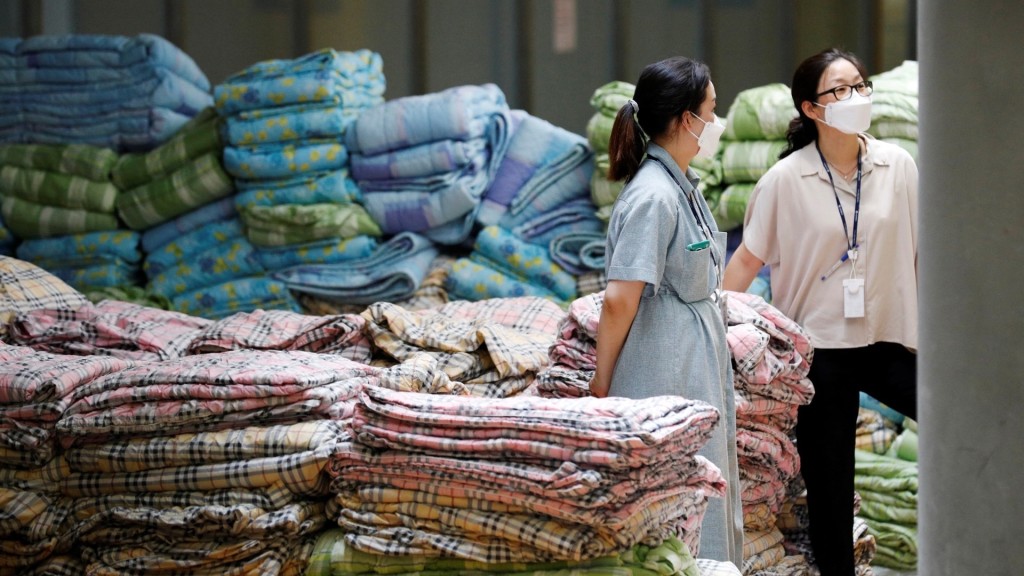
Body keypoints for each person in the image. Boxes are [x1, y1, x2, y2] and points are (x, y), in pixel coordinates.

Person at [722, 48, 918, 576]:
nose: (856, 98)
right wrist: (714, 328)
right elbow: (746, 258)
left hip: (889, 340)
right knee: (831, 494)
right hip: (819, 353)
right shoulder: (785, 180)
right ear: (811, 108)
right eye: (840, 90)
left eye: (861, 85)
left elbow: (926, 252)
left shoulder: (898, 166)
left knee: (963, 422)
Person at [589, 56, 742, 566]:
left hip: (689, 360)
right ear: (684, 119)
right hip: (664, 369)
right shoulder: (654, 196)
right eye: (711, 111)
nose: (715, 124)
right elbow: (619, 301)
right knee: (676, 508)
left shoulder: (681, 185)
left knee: (699, 496)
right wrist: (601, 385)